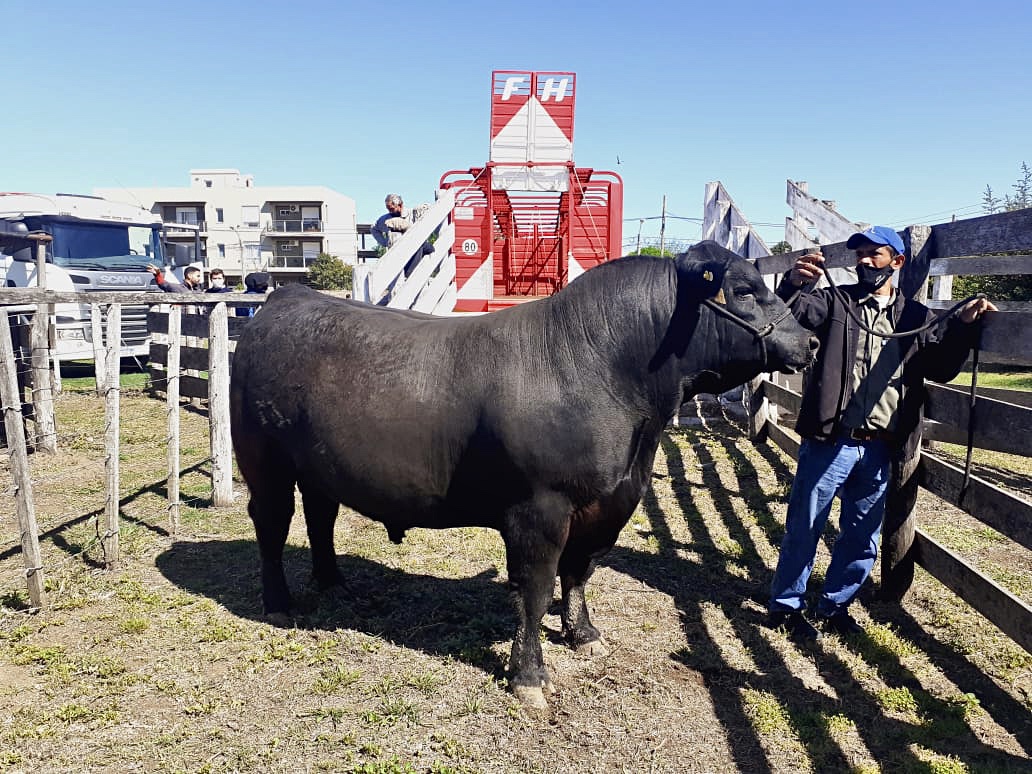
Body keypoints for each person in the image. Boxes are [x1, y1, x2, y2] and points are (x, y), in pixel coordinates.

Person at [766, 226, 997, 642]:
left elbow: (942, 367)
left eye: (876, 254)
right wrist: (793, 284)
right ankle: (786, 607)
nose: (865, 261)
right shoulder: (834, 302)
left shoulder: (917, 317)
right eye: (860, 255)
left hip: (879, 448)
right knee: (805, 527)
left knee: (861, 534)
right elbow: (783, 320)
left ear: (898, 262)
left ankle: (835, 605)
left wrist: (963, 325)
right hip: (830, 441)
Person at [370, 193, 435, 278]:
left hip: (416, 250)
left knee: (424, 246)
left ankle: (410, 275)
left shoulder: (412, 213)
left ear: (400, 205)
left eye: (392, 209)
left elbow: (430, 209)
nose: (390, 211)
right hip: (398, 254)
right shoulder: (386, 219)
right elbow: (374, 228)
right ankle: (408, 276)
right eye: (388, 209)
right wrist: (385, 242)